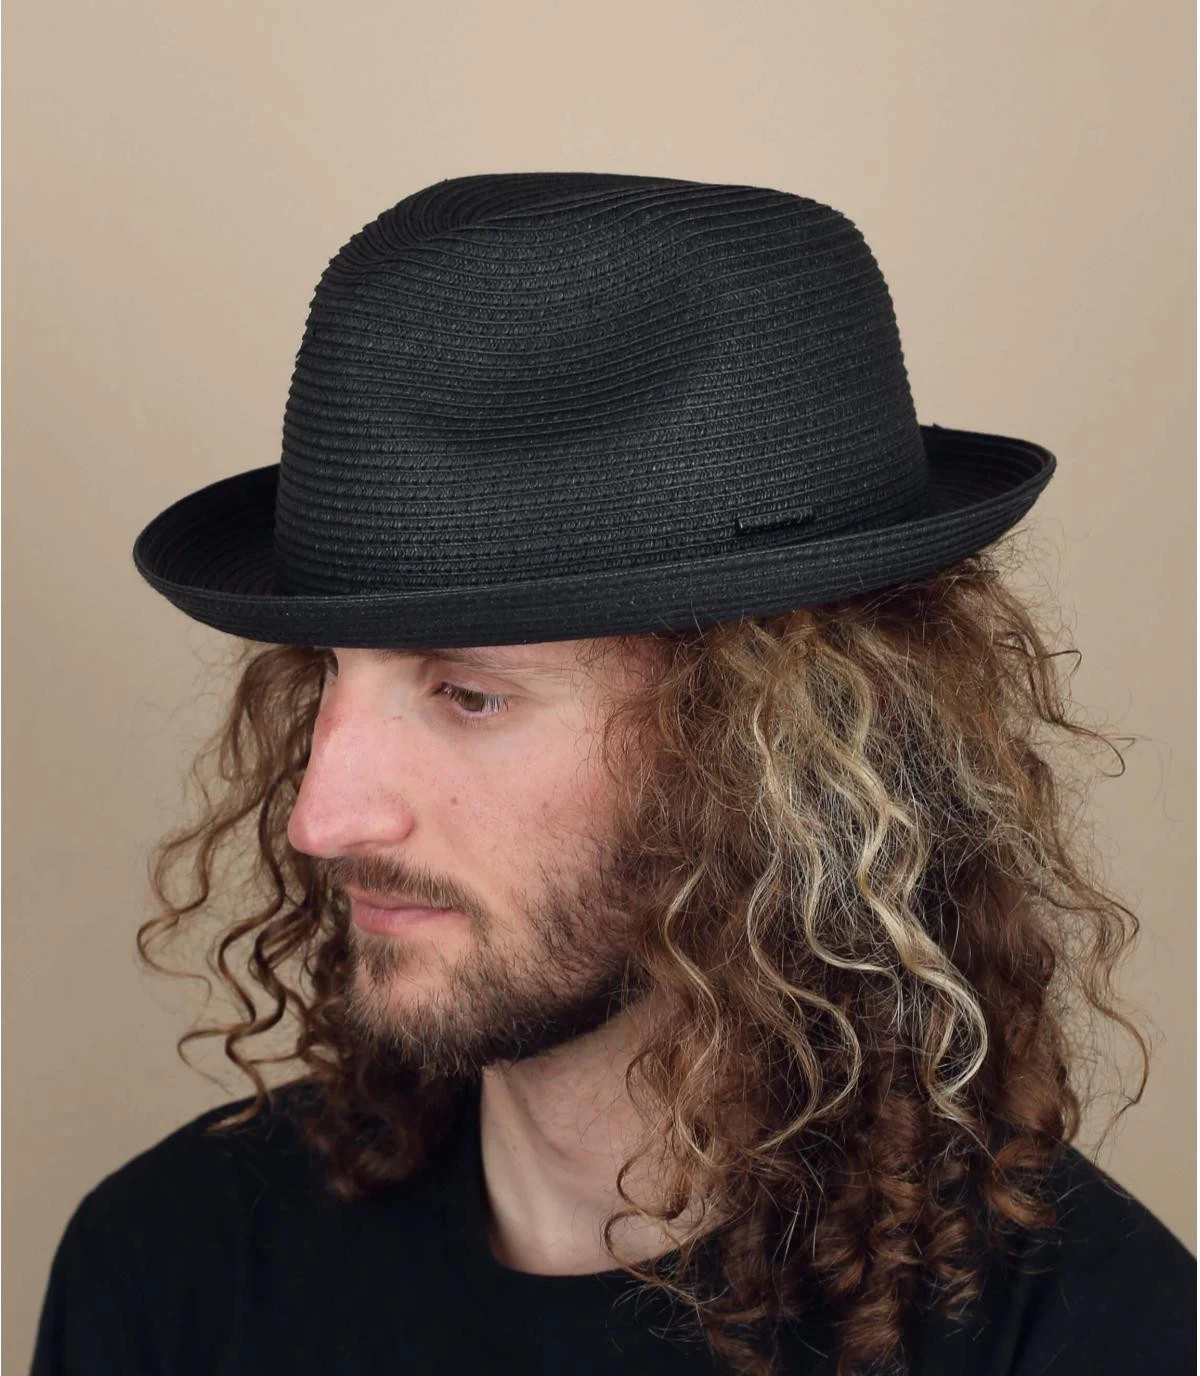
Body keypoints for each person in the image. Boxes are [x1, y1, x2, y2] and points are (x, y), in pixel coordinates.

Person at [32, 172, 1194, 1376]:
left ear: (772, 750)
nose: (323, 817)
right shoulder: (169, 1270)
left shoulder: (1088, 1337)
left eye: (468, 694)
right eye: (330, 673)